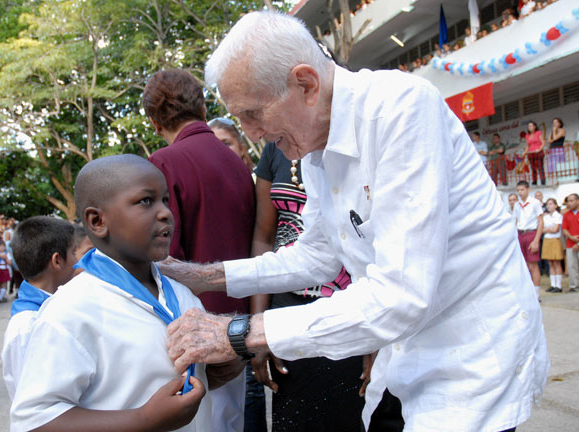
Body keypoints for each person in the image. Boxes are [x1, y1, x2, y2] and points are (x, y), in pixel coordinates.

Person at [160, 11, 548, 432]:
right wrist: (205, 277)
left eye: (253, 113)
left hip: (471, 352)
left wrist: (238, 333)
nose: (251, 133)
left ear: (305, 85)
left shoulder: (400, 110)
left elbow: (401, 295)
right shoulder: (312, 150)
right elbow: (318, 254)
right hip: (408, 350)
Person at [10, 155, 230, 432]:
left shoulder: (183, 295)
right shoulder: (71, 310)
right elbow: (33, 420)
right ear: (97, 221)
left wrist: (222, 367)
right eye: (145, 201)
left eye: (165, 200)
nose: (165, 213)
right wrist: (144, 420)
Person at [145, 69, 256, 432]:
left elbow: (162, 254)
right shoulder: (236, 163)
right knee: (231, 421)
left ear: (154, 121)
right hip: (237, 322)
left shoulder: (165, 162)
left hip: (189, 328)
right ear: (203, 107)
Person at [250, 139, 373, 431]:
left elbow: (375, 243)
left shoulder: (355, 142)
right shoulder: (274, 148)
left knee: (346, 416)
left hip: (349, 307)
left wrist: (376, 339)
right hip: (286, 306)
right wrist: (259, 324)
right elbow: (263, 237)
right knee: (294, 417)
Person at [1, 216, 77, 400]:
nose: (78, 260)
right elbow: (32, 402)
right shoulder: (26, 325)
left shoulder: (57, 305)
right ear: (57, 260)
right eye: (74, 252)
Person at [513, 181, 544, 299]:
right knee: (524, 265)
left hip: (531, 233)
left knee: (533, 265)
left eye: (522, 190)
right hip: (520, 233)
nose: (520, 192)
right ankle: (528, 291)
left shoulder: (535, 203)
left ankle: (536, 294)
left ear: (528, 189)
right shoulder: (517, 205)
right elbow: (515, 221)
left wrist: (536, 240)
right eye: (518, 190)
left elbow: (541, 221)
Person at [541, 198, 564, 293]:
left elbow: (556, 229)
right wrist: (549, 228)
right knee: (550, 262)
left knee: (556, 262)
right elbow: (542, 229)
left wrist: (548, 229)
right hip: (547, 239)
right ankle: (553, 284)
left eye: (551, 204)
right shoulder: (545, 217)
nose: (549, 206)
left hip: (555, 239)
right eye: (547, 204)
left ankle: (558, 285)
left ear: (555, 205)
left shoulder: (558, 216)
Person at [561, 193, 579, 293]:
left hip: (577, 243)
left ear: (577, 201)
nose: (569, 203)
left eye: (572, 201)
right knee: (572, 265)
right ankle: (574, 286)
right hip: (570, 243)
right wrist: (571, 237)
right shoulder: (567, 214)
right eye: (568, 201)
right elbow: (564, 228)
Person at [523, 120, 546, 185]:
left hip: (538, 152)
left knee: (540, 166)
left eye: (531, 126)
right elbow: (527, 146)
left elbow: (543, 142)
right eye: (528, 126)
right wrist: (525, 152)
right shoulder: (527, 136)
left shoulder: (538, 133)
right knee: (533, 167)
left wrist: (539, 149)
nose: (530, 127)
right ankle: (534, 180)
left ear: (535, 126)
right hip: (531, 153)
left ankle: (542, 180)